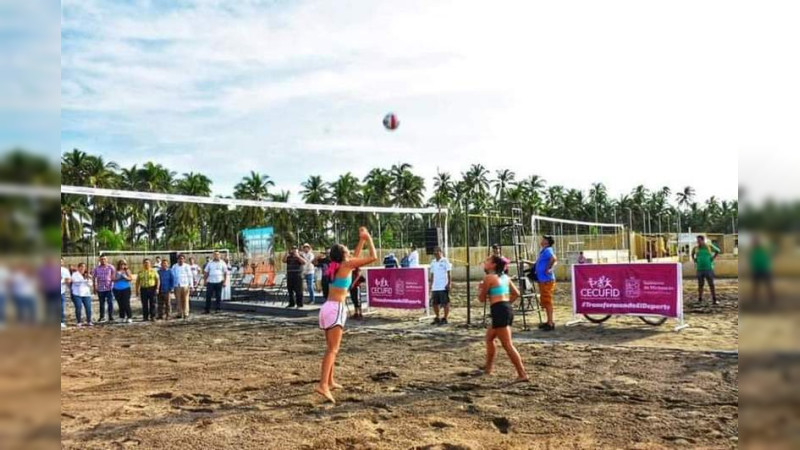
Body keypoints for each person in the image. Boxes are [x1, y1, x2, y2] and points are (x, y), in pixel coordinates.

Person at [316, 227, 377, 403]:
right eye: (346, 249)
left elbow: (354, 256)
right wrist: (369, 238)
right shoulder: (346, 265)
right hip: (335, 308)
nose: (349, 250)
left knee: (331, 348)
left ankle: (330, 381)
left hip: (327, 307)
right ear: (342, 254)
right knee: (332, 350)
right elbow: (372, 258)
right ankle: (322, 385)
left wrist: (362, 240)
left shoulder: (337, 265)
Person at [478, 255, 529, 382]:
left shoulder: (488, 278)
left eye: (487, 260)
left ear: (494, 265)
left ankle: (522, 374)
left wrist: (480, 288)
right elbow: (516, 293)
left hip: (499, 310)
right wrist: (505, 304)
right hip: (504, 309)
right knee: (489, 338)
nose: (485, 262)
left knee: (507, 345)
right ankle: (488, 368)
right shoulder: (505, 277)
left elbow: (481, 299)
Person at [535, 235, 558, 331]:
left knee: (547, 301)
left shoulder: (548, 250)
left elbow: (554, 259)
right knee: (545, 301)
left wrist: (548, 268)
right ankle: (548, 321)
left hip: (546, 280)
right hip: (543, 280)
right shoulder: (543, 251)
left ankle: (550, 323)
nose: (542, 240)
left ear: (547, 242)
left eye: (544, 239)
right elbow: (537, 264)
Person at [692, 235, 720, 304]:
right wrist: (694, 259)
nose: (698, 242)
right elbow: (692, 254)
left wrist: (713, 258)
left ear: (703, 240)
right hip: (699, 269)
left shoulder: (709, 246)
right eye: (697, 240)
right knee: (700, 285)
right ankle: (700, 299)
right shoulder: (696, 248)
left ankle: (714, 299)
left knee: (711, 284)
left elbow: (718, 250)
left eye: (699, 240)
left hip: (709, 268)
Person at [429, 247, 452, 325]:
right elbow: (432, 274)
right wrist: (431, 284)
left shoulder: (445, 261)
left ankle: (445, 318)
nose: (435, 254)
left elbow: (449, 273)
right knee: (434, 303)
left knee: (445, 303)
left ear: (440, 252)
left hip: (443, 285)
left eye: (437, 252)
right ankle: (437, 317)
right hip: (435, 286)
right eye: (434, 252)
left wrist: (449, 283)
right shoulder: (433, 262)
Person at [750, 235, 776, 305]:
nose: (755, 243)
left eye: (756, 241)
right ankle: (755, 300)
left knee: (768, 285)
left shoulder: (765, 248)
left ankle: (772, 299)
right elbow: (751, 259)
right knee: (756, 286)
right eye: (754, 241)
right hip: (756, 270)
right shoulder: (752, 250)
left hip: (765, 269)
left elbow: (774, 250)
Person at [92, 255, 116, 322]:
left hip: (109, 288)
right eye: (101, 259)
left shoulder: (111, 267)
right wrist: (94, 287)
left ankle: (111, 316)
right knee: (101, 303)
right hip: (100, 288)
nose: (103, 260)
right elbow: (94, 278)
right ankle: (102, 316)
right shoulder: (96, 268)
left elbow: (114, 277)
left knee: (110, 303)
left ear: (107, 259)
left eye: (104, 259)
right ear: (99, 260)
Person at [171, 254, 194, 320]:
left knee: (186, 300)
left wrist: (191, 285)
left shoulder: (187, 266)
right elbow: (172, 276)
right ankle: (179, 313)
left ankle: (186, 313)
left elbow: (190, 276)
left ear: (184, 259)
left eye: (182, 258)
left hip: (185, 285)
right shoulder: (174, 266)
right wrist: (172, 286)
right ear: (177, 259)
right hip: (177, 285)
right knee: (178, 300)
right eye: (179, 259)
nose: (181, 260)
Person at [71, 263, 93, 327]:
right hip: (77, 294)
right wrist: (84, 280)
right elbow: (75, 282)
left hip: (86, 294)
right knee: (78, 307)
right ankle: (79, 321)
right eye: (81, 267)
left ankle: (89, 321)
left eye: (83, 267)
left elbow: (90, 284)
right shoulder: (74, 274)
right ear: (78, 267)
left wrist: (88, 279)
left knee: (88, 308)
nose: (82, 268)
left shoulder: (88, 275)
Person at [61, 258, 72, 328]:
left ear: (63, 262)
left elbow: (69, 279)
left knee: (61, 307)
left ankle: (61, 321)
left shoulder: (65, 270)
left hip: (61, 291)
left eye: (61, 261)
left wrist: (68, 281)